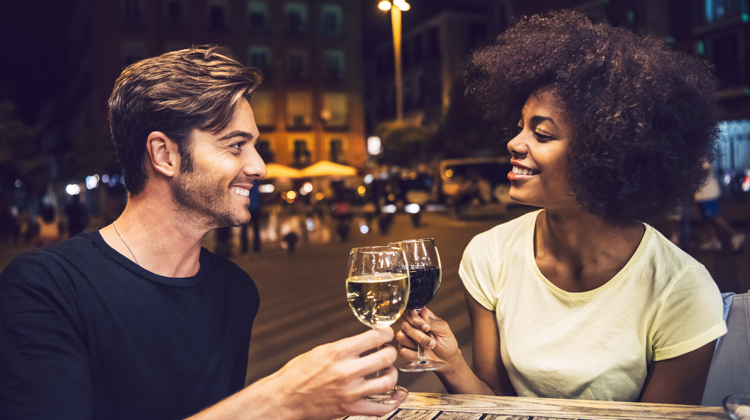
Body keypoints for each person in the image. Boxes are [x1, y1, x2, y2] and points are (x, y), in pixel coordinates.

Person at [0, 46, 400, 420]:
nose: (259, 166)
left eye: (254, 145)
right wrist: (280, 400)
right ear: (164, 155)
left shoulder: (236, 292)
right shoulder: (44, 288)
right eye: (235, 145)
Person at [397, 11, 726, 404]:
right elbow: (497, 404)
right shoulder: (489, 255)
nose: (515, 143)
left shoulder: (681, 287)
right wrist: (449, 363)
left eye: (541, 133)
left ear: (604, 153)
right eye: (519, 126)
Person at [694, 161, 745, 252]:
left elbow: (706, 170)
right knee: (706, 218)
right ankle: (714, 240)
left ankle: (735, 234)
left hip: (708, 193)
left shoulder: (701, 156)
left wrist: (692, 176)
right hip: (701, 194)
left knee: (714, 216)